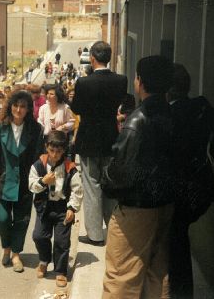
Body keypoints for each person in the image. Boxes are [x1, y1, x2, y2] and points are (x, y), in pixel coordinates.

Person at [101, 55, 176, 298]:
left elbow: (117, 174)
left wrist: (106, 177)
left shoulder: (136, 121)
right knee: (158, 276)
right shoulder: (173, 114)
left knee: (122, 279)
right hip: (165, 205)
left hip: (135, 210)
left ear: (140, 81)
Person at [166, 63, 214, 299]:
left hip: (178, 189)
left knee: (176, 242)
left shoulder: (167, 113)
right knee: (178, 238)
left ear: (168, 90)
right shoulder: (200, 106)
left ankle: (180, 293)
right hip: (200, 187)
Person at [70, 41, 127, 246]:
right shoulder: (121, 80)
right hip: (111, 137)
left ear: (92, 58)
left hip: (88, 139)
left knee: (92, 185)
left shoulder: (84, 83)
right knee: (109, 184)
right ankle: (113, 230)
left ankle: (94, 234)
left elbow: (77, 109)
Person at [0, 90, 44, 273]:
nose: (18, 109)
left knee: (21, 220)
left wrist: (40, 181)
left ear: (28, 109)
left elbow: (39, 157)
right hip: (3, 180)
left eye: (23, 106)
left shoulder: (36, 129)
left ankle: (16, 253)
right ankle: (6, 248)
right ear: (10, 106)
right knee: (2, 219)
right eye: (15, 105)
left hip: (25, 182)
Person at [29, 130, 82, 288]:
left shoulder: (69, 168)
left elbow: (77, 190)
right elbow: (32, 186)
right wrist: (43, 182)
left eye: (59, 151)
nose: (55, 155)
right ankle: (44, 260)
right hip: (44, 207)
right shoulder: (39, 165)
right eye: (52, 150)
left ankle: (60, 271)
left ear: (64, 150)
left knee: (62, 241)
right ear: (46, 147)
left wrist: (72, 208)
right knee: (39, 236)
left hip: (62, 208)